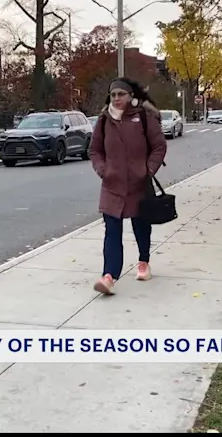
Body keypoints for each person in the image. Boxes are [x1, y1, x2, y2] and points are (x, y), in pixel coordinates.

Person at [88, 77, 167, 295]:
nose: (116, 98)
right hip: (112, 185)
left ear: (130, 96)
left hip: (139, 184)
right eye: (113, 95)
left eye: (121, 94)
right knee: (112, 230)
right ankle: (109, 276)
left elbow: (159, 146)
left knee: (141, 227)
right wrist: (103, 170)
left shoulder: (143, 116)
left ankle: (143, 262)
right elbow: (94, 150)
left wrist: (148, 170)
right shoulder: (104, 120)